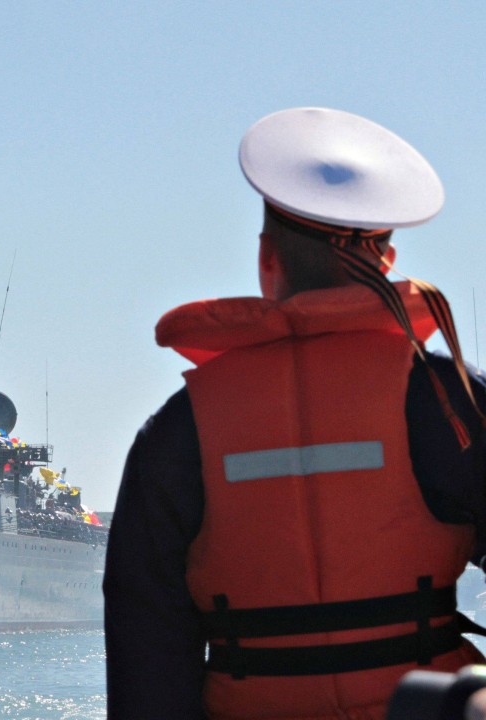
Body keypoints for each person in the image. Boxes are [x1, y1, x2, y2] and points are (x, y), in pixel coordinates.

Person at [104, 107, 486, 720]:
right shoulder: (451, 401)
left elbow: (148, 652)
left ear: (267, 258)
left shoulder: (178, 430)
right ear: (387, 260)